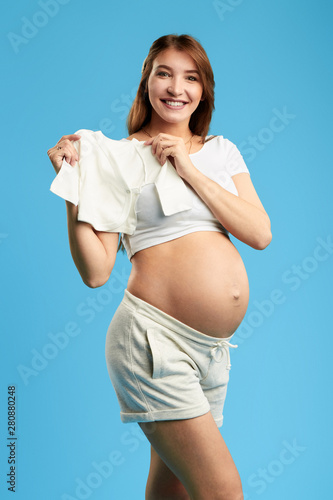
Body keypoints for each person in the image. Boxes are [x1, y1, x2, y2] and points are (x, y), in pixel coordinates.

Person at [47, 34, 271, 500]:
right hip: (153, 343)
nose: (176, 87)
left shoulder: (221, 152)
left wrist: (188, 168)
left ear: (203, 90)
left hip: (211, 352)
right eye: (164, 73)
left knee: (173, 491)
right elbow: (96, 272)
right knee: (222, 491)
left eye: (191, 77)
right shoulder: (118, 157)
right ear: (146, 82)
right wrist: (73, 185)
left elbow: (259, 233)